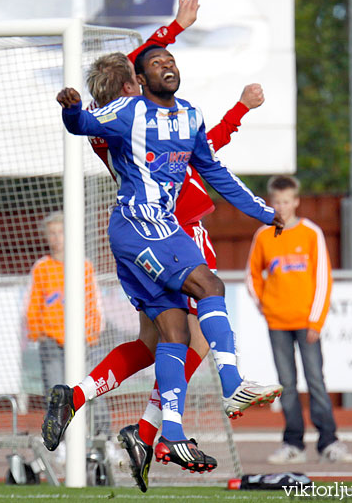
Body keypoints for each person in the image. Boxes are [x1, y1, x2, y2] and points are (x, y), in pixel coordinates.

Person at [43, 45, 284, 475]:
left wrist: (264, 213)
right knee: (205, 306)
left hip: (157, 230)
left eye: (170, 60)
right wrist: (239, 109)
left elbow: (205, 157)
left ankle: (141, 425)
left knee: (167, 336)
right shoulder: (129, 114)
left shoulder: (170, 115)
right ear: (132, 85)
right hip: (163, 229)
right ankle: (211, 399)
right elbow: (205, 148)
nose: (166, 65)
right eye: (152, 67)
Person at [246, 175, 352, 464]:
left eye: (286, 201)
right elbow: (252, 275)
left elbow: (323, 279)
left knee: (315, 380)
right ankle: (293, 443)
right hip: (277, 323)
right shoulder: (263, 235)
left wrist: (316, 321)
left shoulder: (311, 233)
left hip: (306, 323)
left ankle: (329, 441)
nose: (281, 206)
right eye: (276, 202)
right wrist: (265, 306)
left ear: (296, 201)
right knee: (287, 384)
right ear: (271, 202)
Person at [25, 212, 106, 437]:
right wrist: (37, 332)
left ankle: (102, 438)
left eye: (61, 232)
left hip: (82, 343)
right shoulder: (41, 267)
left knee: (92, 390)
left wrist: (90, 335)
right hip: (52, 343)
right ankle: (58, 442)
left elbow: (94, 304)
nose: (57, 238)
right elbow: (31, 304)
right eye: (52, 233)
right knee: (54, 394)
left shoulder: (84, 266)